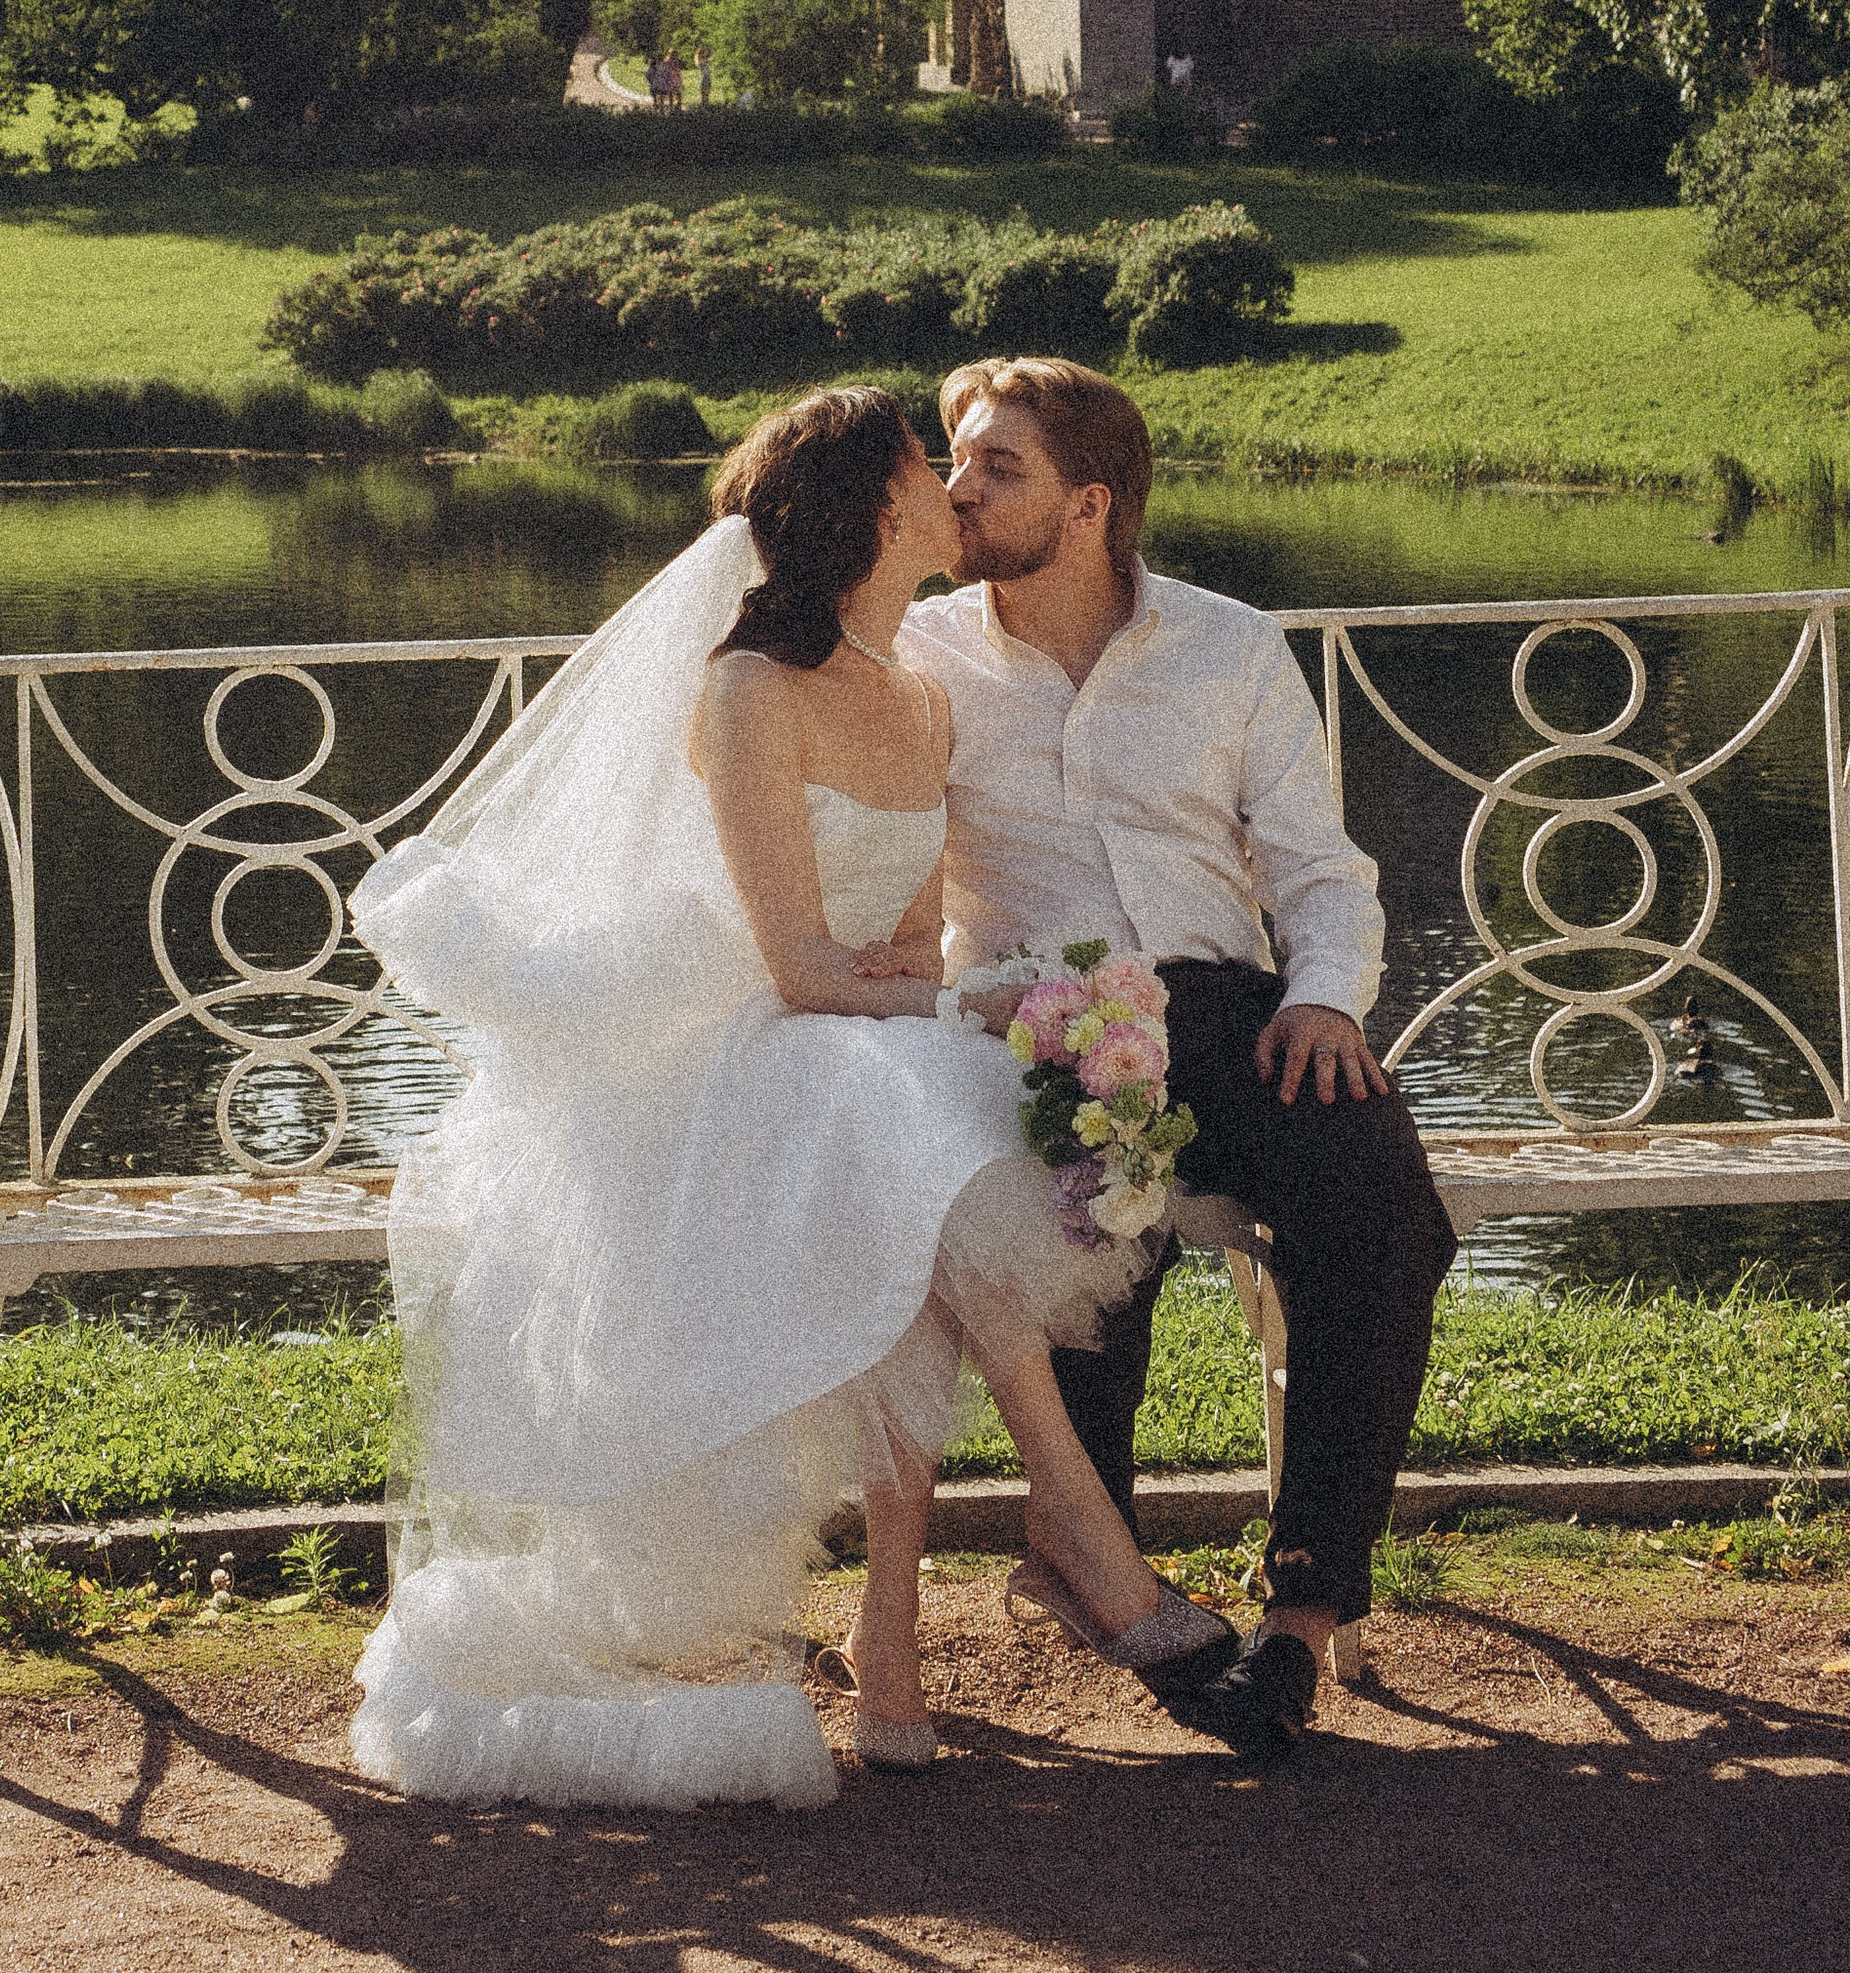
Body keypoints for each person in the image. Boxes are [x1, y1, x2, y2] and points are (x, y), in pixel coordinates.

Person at [348, 387, 1234, 1808]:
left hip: (855, 1053)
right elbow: (805, 969)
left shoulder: (926, 696)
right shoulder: (748, 691)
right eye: (928, 476)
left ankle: (902, 1648)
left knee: (923, 1132)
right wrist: (961, 1001)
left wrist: (958, 992)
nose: (957, 494)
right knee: (918, 1119)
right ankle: (1079, 1532)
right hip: (730, 1062)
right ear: (880, 515)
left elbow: (907, 935)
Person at [902, 360, 1458, 1764]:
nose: (956, 490)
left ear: (1090, 506)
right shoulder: (923, 662)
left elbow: (1320, 873)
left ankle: (1306, 1616)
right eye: (958, 461)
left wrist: (1328, 999)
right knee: (1096, 1214)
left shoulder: (1230, 646)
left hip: (1232, 1014)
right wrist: (993, 1007)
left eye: (995, 468)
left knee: (1384, 1212)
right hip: (1042, 1024)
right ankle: (1101, 1565)